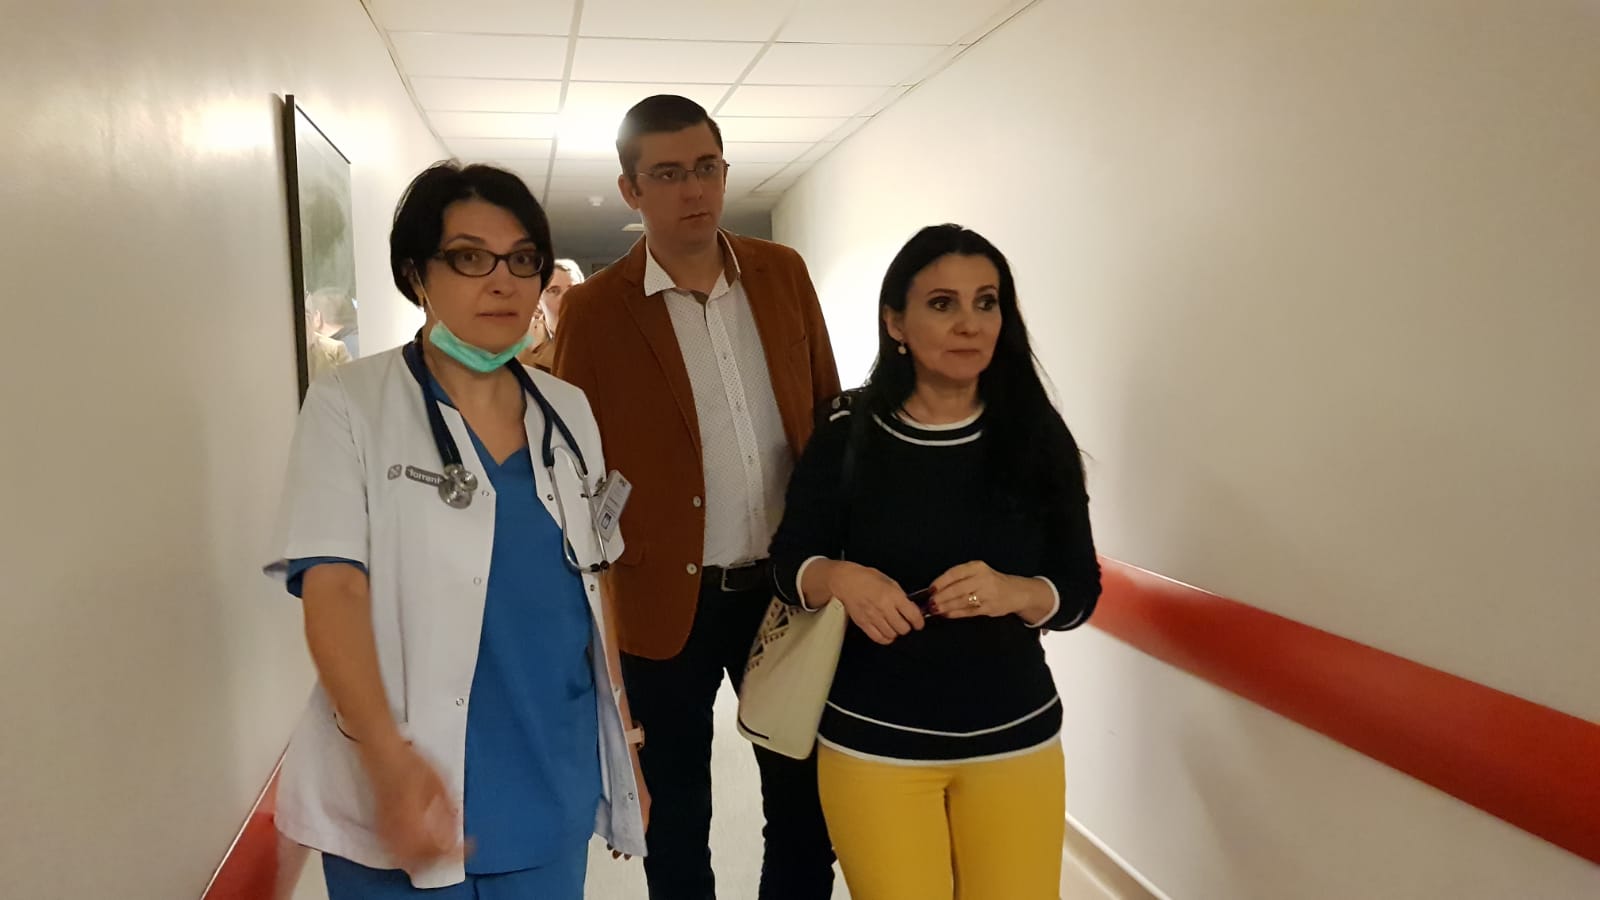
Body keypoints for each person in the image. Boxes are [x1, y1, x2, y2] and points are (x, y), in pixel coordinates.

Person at [264, 161, 647, 898]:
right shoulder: (350, 404)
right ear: (417, 274)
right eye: (471, 257)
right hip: (400, 788)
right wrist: (388, 762)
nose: (503, 281)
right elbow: (334, 590)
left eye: (523, 259)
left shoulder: (569, 411)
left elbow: (597, 591)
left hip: (551, 780)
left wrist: (626, 744)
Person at [553, 95, 840, 899]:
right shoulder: (595, 310)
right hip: (660, 603)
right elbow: (575, 467)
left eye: (707, 168)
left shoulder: (782, 275)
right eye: (668, 174)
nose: (694, 190)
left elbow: (827, 417)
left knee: (805, 807)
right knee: (676, 821)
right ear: (631, 189)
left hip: (784, 593)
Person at [767, 224, 1102, 900]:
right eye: (942, 303)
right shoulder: (847, 434)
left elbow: (1079, 589)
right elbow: (788, 564)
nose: (969, 323)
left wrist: (1016, 592)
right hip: (874, 747)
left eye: (987, 302)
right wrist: (840, 577)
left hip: (1015, 741)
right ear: (896, 321)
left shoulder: (1037, 437)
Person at [520, 258, 584, 372]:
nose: (565, 299)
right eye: (554, 291)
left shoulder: (604, 340)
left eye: (573, 290)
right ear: (537, 301)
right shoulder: (519, 353)